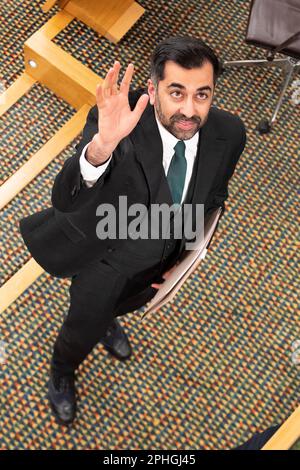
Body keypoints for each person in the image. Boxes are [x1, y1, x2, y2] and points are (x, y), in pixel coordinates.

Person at [19, 36, 246, 425]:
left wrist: (185, 260)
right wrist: (102, 146)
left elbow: (213, 199)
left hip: (159, 263)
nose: (189, 110)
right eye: (176, 93)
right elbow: (66, 198)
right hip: (104, 259)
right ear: (154, 90)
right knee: (82, 326)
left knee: (126, 304)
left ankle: (112, 317)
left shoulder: (229, 134)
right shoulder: (118, 123)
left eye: (202, 95)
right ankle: (62, 368)